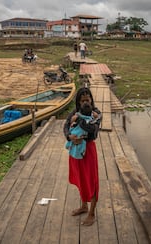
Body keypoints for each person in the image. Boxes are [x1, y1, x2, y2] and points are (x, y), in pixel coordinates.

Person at [63, 87, 101, 226]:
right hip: (75, 150)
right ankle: (84, 206)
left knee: (92, 180)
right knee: (80, 178)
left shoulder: (96, 114)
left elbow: (93, 130)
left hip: (88, 151)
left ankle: (92, 213)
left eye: (88, 99)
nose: (86, 102)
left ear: (91, 100)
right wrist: (70, 136)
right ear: (78, 102)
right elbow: (65, 126)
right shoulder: (74, 113)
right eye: (83, 100)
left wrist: (78, 120)